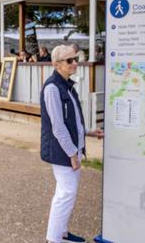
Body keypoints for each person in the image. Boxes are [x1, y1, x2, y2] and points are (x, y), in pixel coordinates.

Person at [40, 45, 103, 243]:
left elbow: (72, 122)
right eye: (69, 60)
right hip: (62, 152)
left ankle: (62, 233)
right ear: (56, 64)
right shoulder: (52, 88)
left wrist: (88, 132)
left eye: (75, 59)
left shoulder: (67, 85)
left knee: (67, 193)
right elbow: (58, 127)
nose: (75, 63)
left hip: (68, 150)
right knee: (66, 194)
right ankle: (53, 239)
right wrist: (73, 155)